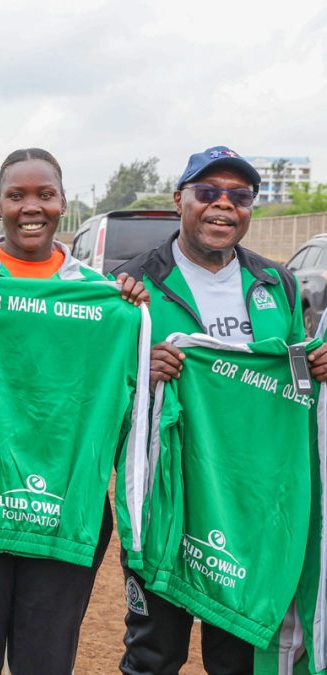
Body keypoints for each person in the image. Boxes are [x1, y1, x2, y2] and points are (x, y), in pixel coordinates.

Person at [0, 148, 148, 674]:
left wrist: (130, 317)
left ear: (63, 202)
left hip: (62, 510)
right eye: (16, 195)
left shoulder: (97, 294)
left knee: (45, 661)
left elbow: (126, 394)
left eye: (44, 194)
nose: (31, 207)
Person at [111, 146, 327, 674]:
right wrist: (139, 371)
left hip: (245, 505)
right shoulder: (133, 284)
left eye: (240, 196)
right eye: (208, 192)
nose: (223, 206)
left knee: (236, 657)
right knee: (153, 653)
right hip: (165, 499)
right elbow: (99, 387)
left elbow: (296, 379)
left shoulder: (278, 284)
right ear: (179, 199)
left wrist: (316, 365)